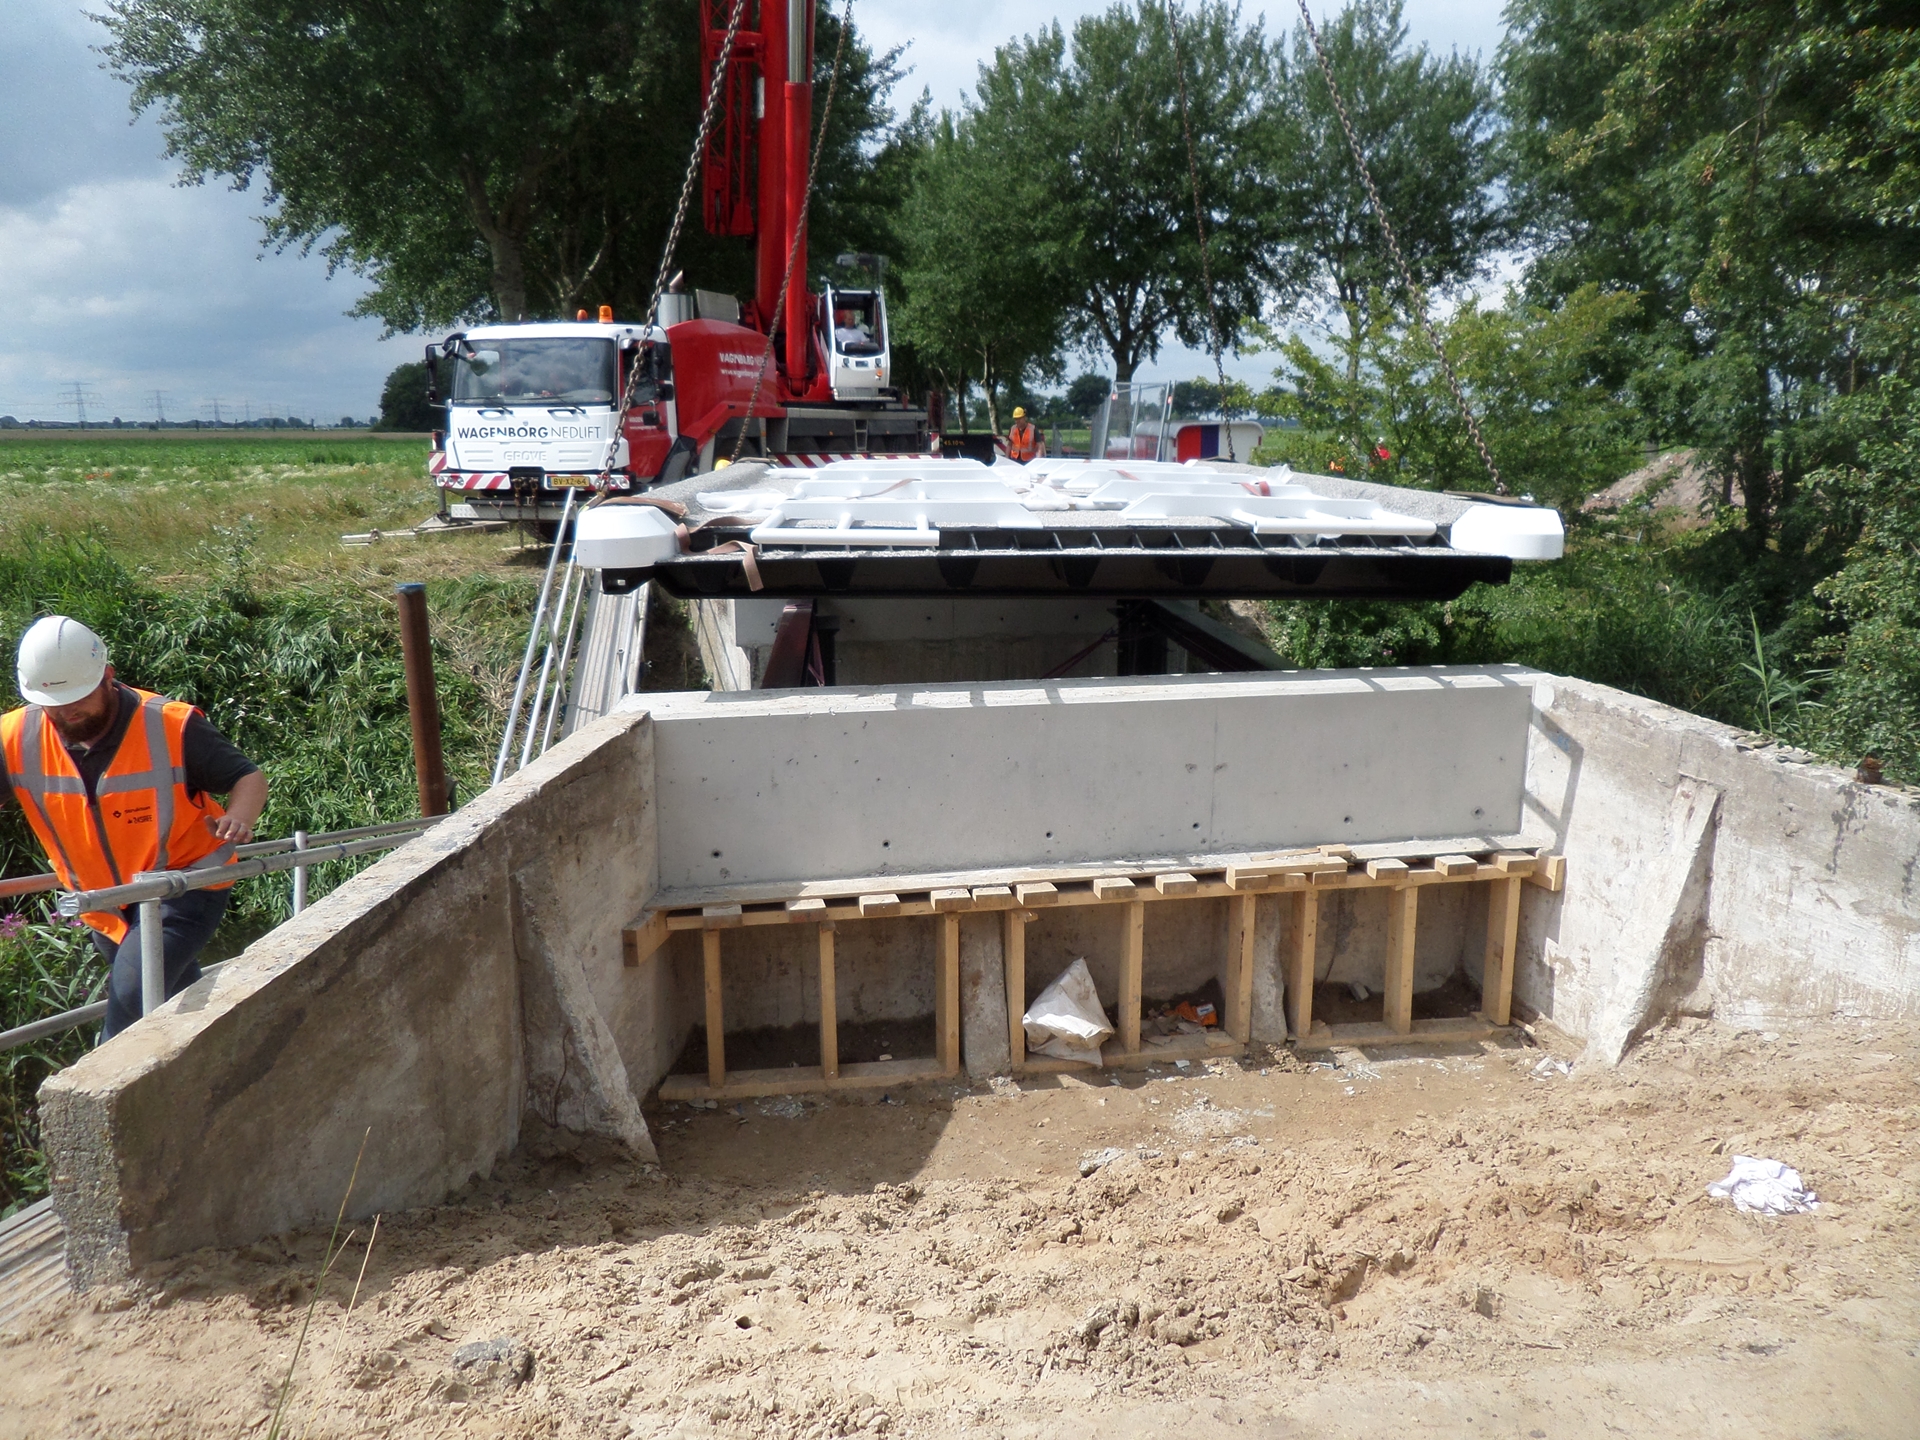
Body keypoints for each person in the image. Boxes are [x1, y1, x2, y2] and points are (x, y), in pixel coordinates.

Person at [2, 616, 268, 1040]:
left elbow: (247, 777)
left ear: (107, 676)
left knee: (128, 1007)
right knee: (176, 1006)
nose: (68, 713)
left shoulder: (170, 724)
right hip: (104, 904)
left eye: (79, 698)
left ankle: (90, 1095)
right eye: (55, 704)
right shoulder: (15, 737)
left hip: (182, 887)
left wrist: (240, 817)